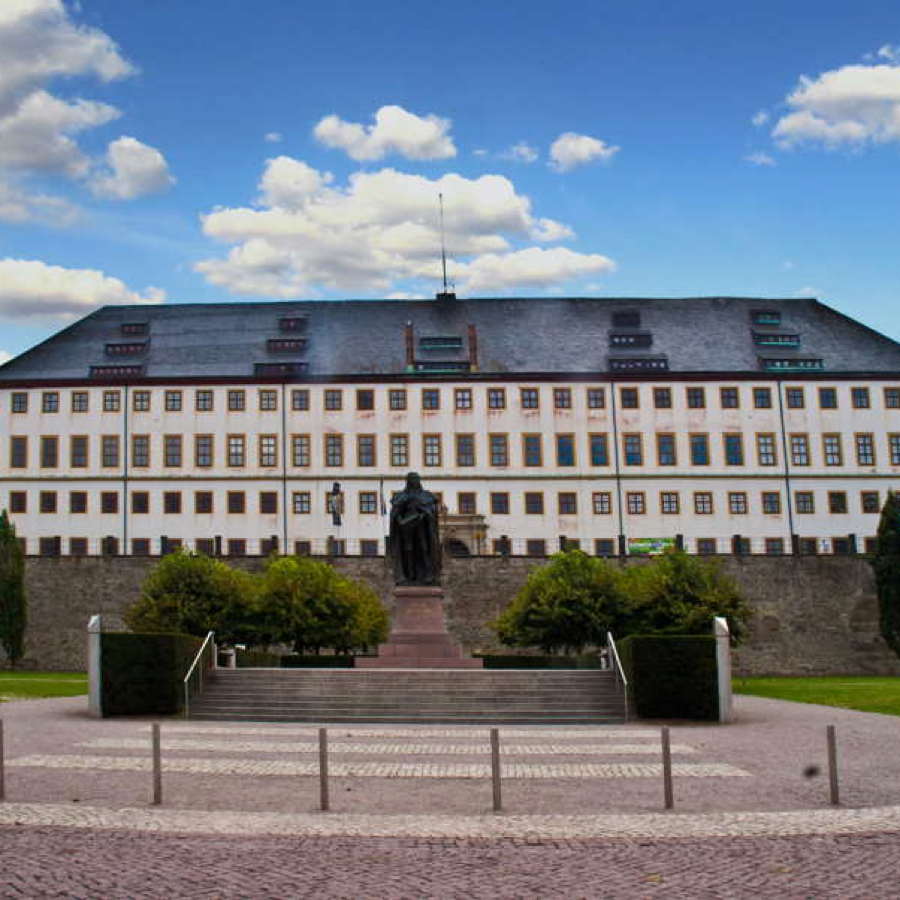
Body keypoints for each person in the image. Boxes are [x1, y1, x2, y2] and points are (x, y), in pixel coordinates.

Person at [389, 472, 441, 585]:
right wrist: (400, 522)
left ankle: (428, 574)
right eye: (411, 479)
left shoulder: (427, 496)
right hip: (406, 529)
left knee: (424, 549)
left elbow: (431, 511)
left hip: (422, 528)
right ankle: (409, 575)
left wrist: (424, 515)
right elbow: (395, 512)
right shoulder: (401, 496)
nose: (414, 481)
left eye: (416, 479)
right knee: (408, 550)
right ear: (407, 481)